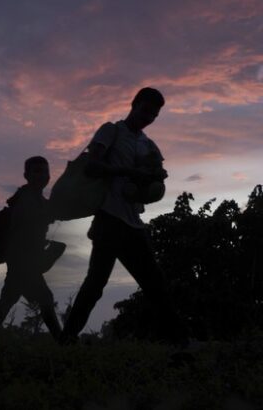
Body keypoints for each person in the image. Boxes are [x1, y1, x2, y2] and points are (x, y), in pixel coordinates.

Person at [59, 87, 189, 346]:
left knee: (156, 285)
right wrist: (128, 171)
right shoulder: (111, 131)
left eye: (154, 115)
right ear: (133, 105)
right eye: (145, 111)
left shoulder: (149, 145)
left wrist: (154, 180)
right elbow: (93, 166)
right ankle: (67, 340)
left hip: (132, 223)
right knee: (95, 286)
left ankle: (179, 343)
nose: (148, 118)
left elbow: (158, 176)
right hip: (109, 219)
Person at [0, 156, 64, 339]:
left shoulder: (34, 197)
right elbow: (26, 224)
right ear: (26, 175)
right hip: (22, 259)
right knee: (44, 299)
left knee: (9, 299)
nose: (42, 176)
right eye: (37, 171)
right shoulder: (26, 198)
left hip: (21, 259)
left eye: (45, 172)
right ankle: (62, 342)